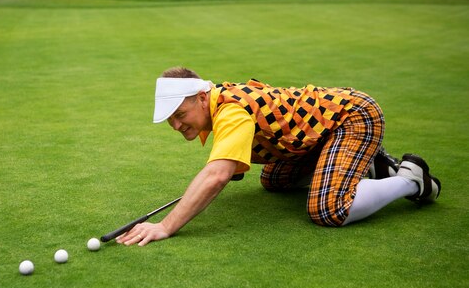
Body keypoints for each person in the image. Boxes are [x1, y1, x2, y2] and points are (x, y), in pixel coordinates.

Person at [117, 67, 441, 247]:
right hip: (319, 136)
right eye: (170, 120)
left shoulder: (230, 110)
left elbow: (216, 175)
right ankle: (369, 165)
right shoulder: (218, 103)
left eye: (180, 114)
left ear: (202, 98)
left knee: (329, 209)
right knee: (274, 179)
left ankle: (410, 179)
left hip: (352, 117)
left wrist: (167, 226)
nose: (176, 125)